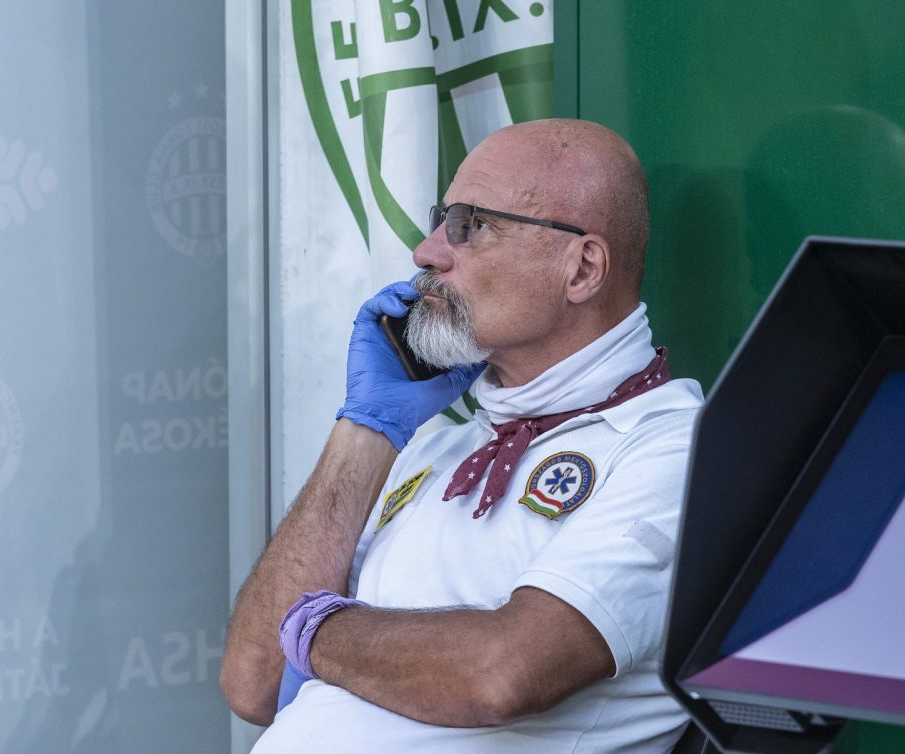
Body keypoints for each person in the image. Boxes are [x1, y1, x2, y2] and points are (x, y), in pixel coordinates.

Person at [221, 118, 704, 752]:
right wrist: (367, 428)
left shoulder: (675, 447)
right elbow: (253, 683)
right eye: (439, 219)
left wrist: (312, 629)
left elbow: (502, 674)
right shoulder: (438, 444)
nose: (427, 253)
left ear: (582, 269)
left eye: (470, 226)